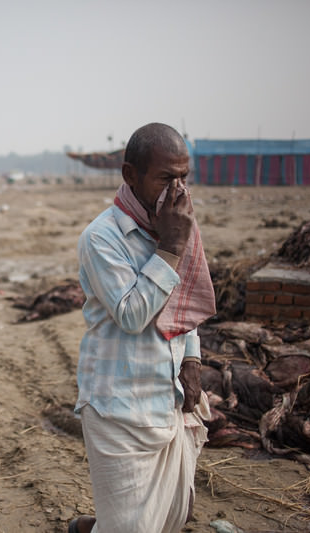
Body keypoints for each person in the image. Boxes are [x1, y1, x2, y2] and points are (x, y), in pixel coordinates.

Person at [69, 123, 216, 533]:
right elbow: (132, 314)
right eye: (167, 178)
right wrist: (169, 248)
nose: (179, 190)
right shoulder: (101, 238)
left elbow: (183, 302)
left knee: (171, 517)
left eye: (184, 177)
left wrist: (192, 357)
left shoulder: (176, 225)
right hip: (118, 408)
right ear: (130, 175)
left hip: (165, 402)